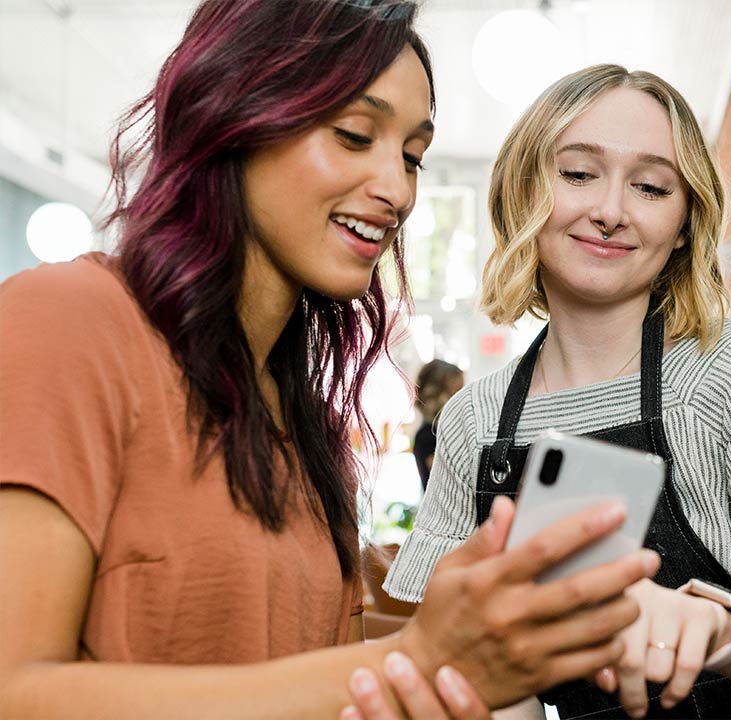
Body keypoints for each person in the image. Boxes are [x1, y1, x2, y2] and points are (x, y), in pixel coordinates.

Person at [0, 3, 660, 718]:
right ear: (236, 115)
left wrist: (461, 628)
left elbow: (318, 678)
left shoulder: (301, 419)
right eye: (353, 135)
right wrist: (409, 657)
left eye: (411, 155)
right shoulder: (70, 320)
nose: (398, 190)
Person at [383, 64, 731, 719]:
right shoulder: (475, 423)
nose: (610, 211)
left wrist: (711, 623)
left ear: (684, 223)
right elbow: (485, 674)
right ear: (523, 192)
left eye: (651, 187)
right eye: (577, 174)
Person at [413, 359, 465, 488]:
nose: (463, 399)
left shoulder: (441, 431)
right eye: (457, 392)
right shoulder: (428, 436)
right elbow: (450, 481)